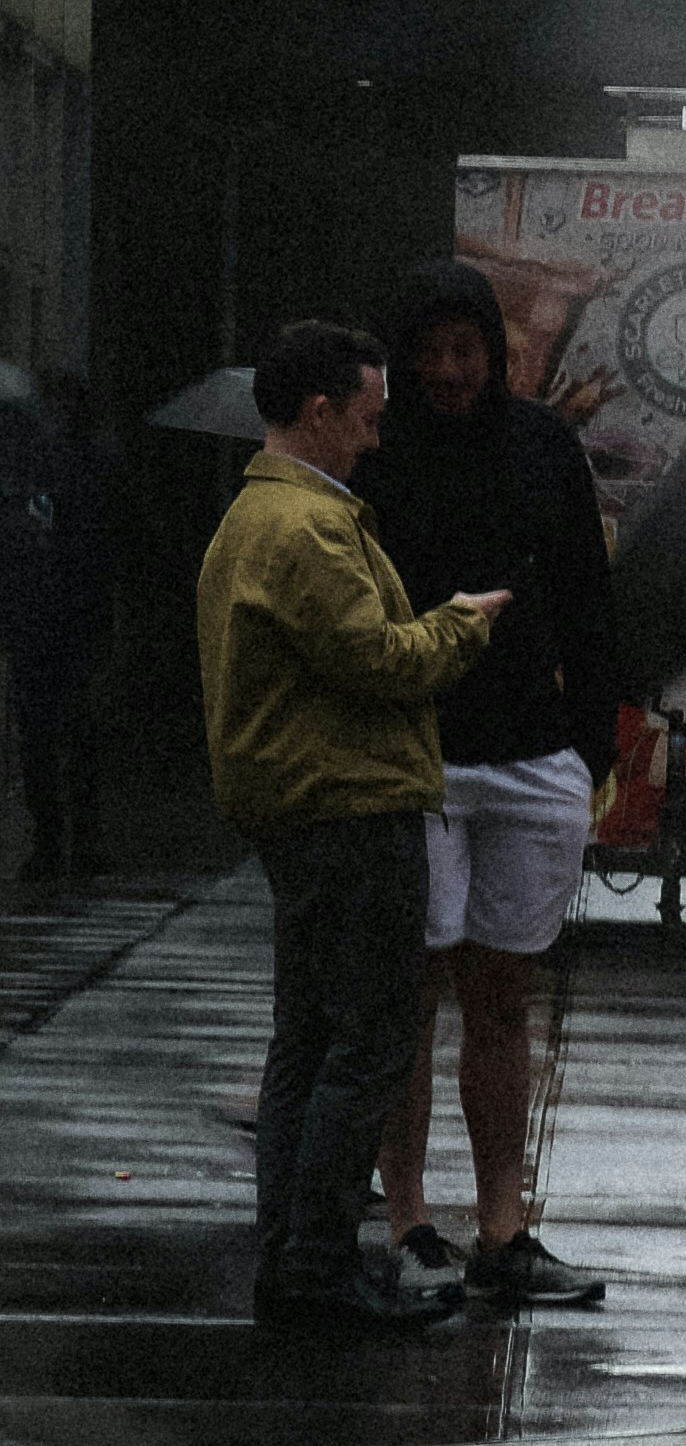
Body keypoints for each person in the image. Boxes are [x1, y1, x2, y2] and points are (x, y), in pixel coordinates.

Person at [197, 321, 508, 1330]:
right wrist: (463, 621)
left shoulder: (257, 517)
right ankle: (317, 1263)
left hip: (302, 805)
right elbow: (380, 658)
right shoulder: (308, 530)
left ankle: (295, 1249)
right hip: (351, 806)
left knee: (308, 1038)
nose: (377, 438)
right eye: (368, 418)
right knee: (364, 1044)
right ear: (321, 412)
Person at [356, 259, 623, 1313]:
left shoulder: (544, 447)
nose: (448, 371)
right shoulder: (375, 454)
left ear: (494, 356)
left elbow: (586, 598)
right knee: (410, 1000)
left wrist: (588, 746)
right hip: (413, 758)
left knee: (504, 997)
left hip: (527, 754)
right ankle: (410, 1221)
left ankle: (502, 1227)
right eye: (430, 353)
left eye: (465, 351)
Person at [0, 368, 112, 884]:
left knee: (64, 733)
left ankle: (67, 842)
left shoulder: (53, 466)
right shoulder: (63, 464)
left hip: (59, 613)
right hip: (59, 614)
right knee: (60, 734)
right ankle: (69, 841)